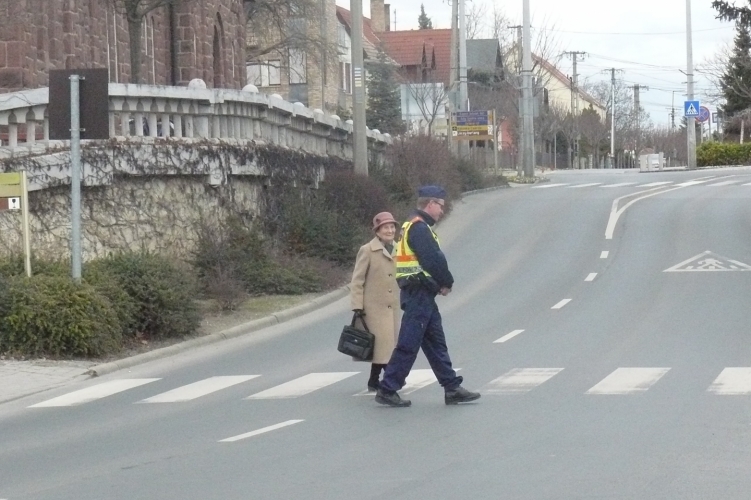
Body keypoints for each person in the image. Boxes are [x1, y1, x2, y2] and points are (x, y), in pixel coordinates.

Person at [375, 186, 481, 407]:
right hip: (418, 292)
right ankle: (388, 388)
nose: (442, 210)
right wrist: (446, 282)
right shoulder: (419, 228)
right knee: (409, 343)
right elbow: (433, 259)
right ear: (430, 204)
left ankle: (451, 387)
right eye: (440, 206)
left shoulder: (411, 225)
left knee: (435, 342)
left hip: (420, 292)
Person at [350, 212, 401, 392]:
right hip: (373, 309)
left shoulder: (398, 249)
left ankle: (374, 380)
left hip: (392, 307)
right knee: (383, 346)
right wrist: (357, 306)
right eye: (386, 227)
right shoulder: (367, 250)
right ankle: (391, 380)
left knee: (384, 347)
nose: (390, 230)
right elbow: (357, 280)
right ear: (377, 231)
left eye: (392, 227)